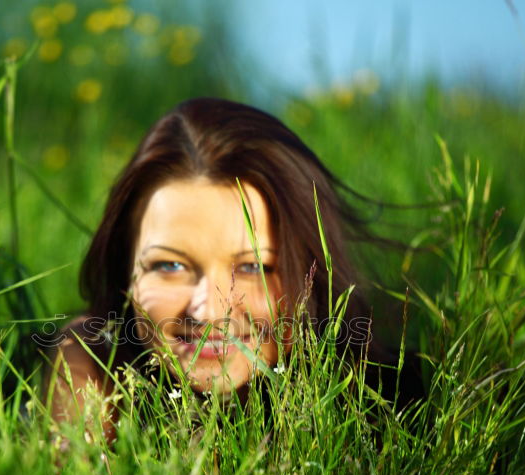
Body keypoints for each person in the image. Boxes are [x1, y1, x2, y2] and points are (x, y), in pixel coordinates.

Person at [44, 97, 420, 433]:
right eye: (170, 266)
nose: (208, 312)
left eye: (253, 268)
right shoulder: (96, 359)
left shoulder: (395, 406)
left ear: (316, 273)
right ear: (125, 269)